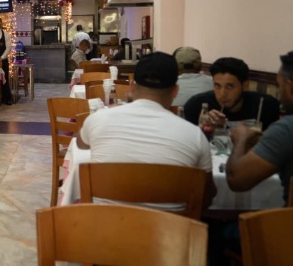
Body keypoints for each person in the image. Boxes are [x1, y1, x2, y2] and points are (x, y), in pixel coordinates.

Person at [77, 52, 216, 208]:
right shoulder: (195, 135)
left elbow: (81, 144)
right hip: (170, 224)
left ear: (131, 86)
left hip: (104, 222)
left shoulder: (98, 119)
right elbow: (206, 197)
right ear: (175, 91)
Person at [227, 51, 293, 204]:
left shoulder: (286, 129)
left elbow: (236, 180)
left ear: (291, 87)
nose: (279, 93)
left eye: (279, 86)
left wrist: (240, 139)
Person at [184, 57, 280, 131]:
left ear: (245, 86)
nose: (222, 94)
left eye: (230, 86)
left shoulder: (266, 106)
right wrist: (205, 130)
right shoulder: (196, 106)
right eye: (217, 86)